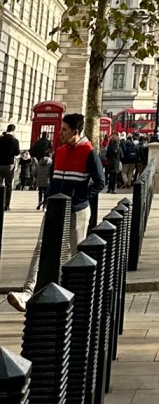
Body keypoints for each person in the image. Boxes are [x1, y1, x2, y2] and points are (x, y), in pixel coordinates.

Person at [7, 112, 104, 311]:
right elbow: (53, 178)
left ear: (76, 132)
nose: (60, 133)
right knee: (41, 247)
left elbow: (100, 181)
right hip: (54, 209)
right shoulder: (59, 151)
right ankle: (28, 292)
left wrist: (82, 197)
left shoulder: (89, 152)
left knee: (75, 253)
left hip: (77, 210)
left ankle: (76, 297)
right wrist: (48, 198)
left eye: (65, 130)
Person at [0, 123, 20, 212]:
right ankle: (6, 205)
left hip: (0, 164)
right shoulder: (15, 141)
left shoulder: (0, 139)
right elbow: (17, 153)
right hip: (9, 165)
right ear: (13, 130)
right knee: (8, 185)